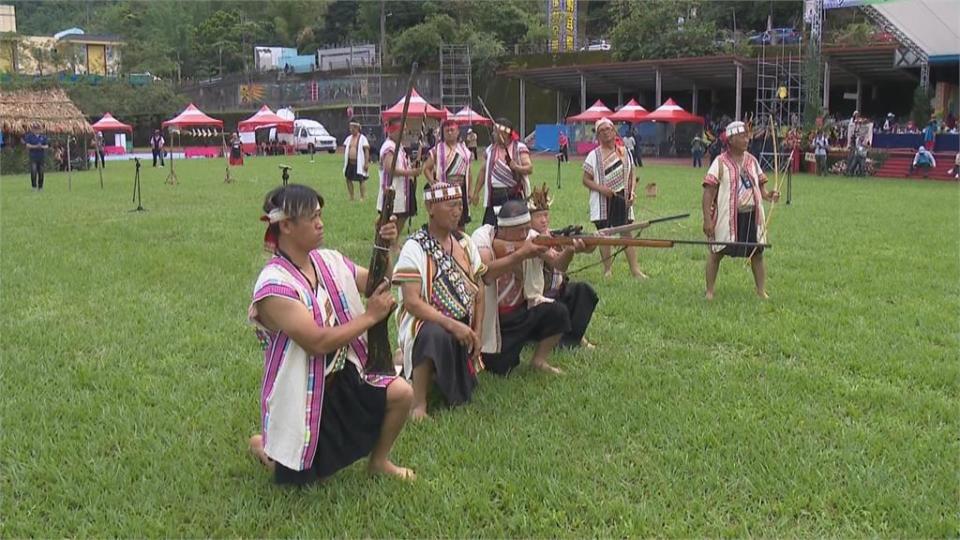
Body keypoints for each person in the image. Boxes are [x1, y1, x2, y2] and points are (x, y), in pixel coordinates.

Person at [247, 183, 415, 484]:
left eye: (320, 215)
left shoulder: (328, 261)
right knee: (297, 481)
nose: (320, 223)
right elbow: (316, 343)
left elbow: (376, 282)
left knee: (402, 394)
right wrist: (370, 316)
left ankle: (379, 461)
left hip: (344, 375)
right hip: (302, 393)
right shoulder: (273, 285)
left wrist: (385, 245)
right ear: (286, 225)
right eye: (312, 217)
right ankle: (263, 446)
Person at [393, 182, 487, 420]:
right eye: (451, 205)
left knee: (466, 392)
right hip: (427, 322)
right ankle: (418, 402)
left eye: (459, 205)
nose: (458, 211)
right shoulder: (415, 247)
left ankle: (409, 363)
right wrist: (451, 324)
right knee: (432, 333)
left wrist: (477, 330)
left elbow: (479, 291)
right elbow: (412, 302)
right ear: (430, 208)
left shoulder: (465, 243)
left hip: (462, 325)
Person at [472, 200, 568, 375]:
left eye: (526, 228)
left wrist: (570, 250)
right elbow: (486, 274)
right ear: (503, 230)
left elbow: (558, 263)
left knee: (558, 313)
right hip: (495, 320)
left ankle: (539, 360)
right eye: (520, 230)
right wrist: (521, 253)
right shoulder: (482, 238)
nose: (525, 234)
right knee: (500, 368)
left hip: (522, 310)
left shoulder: (531, 236)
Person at [702, 121, 780, 300]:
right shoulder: (720, 162)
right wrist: (707, 219)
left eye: (747, 136)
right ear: (731, 139)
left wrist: (769, 196)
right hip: (727, 216)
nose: (747, 139)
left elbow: (761, 189)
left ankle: (761, 290)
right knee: (716, 253)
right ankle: (710, 291)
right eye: (742, 136)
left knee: (757, 254)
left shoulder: (752, 161)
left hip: (752, 215)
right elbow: (708, 192)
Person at [526, 184, 598, 349]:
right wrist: (570, 250)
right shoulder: (532, 239)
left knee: (584, 291)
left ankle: (576, 337)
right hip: (539, 300)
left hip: (557, 292)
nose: (544, 220)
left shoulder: (551, 235)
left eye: (546, 215)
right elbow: (559, 263)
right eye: (538, 216)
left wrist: (595, 240)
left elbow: (587, 250)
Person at [582, 117, 645, 279]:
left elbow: (632, 173)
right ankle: (607, 270)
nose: (605, 133)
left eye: (608, 129)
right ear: (597, 136)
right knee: (605, 235)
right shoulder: (593, 156)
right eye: (601, 131)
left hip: (622, 199)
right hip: (603, 201)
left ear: (614, 131)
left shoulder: (624, 152)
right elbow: (586, 180)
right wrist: (602, 189)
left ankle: (635, 270)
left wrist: (632, 193)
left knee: (626, 234)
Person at [471, 118, 533, 226]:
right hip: (494, 196)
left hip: (513, 195)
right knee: (490, 227)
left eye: (495, 131)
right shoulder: (490, 150)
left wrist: (516, 167)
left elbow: (529, 168)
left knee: (513, 226)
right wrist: (476, 193)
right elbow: (483, 171)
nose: (493, 133)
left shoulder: (519, 148)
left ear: (503, 134)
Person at [423, 119, 472, 228]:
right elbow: (426, 168)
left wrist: (469, 191)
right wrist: (433, 182)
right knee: (445, 219)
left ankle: (460, 241)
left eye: (452, 130)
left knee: (460, 219)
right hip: (445, 189)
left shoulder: (465, 151)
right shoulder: (437, 150)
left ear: (458, 132)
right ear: (443, 133)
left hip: (460, 188)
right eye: (447, 131)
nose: (450, 133)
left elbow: (468, 172)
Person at [378, 117, 421, 238]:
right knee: (394, 217)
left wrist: (414, 164)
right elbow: (390, 169)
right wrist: (411, 172)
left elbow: (402, 166)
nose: (404, 133)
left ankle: (395, 242)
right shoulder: (389, 147)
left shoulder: (399, 147)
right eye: (402, 130)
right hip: (393, 189)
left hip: (403, 190)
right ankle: (391, 243)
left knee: (402, 216)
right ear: (393, 130)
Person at [342, 120, 370, 202]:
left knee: (361, 180)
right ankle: (351, 196)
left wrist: (366, 163)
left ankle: (362, 197)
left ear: (357, 128)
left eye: (353, 128)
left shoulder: (363, 138)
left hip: (359, 163)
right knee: (348, 179)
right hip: (350, 162)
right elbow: (345, 147)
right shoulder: (348, 138)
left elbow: (366, 150)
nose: (351, 130)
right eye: (350, 128)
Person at [24, 122, 49, 191]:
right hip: (33, 157)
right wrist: (35, 146)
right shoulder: (29, 136)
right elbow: (27, 145)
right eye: (35, 128)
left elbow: (47, 146)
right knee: (33, 171)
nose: (36, 130)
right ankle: (34, 186)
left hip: (41, 157)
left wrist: (41, 146)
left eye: (37, 128)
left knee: (41, 172)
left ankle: (40, 187)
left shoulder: (43, 137)